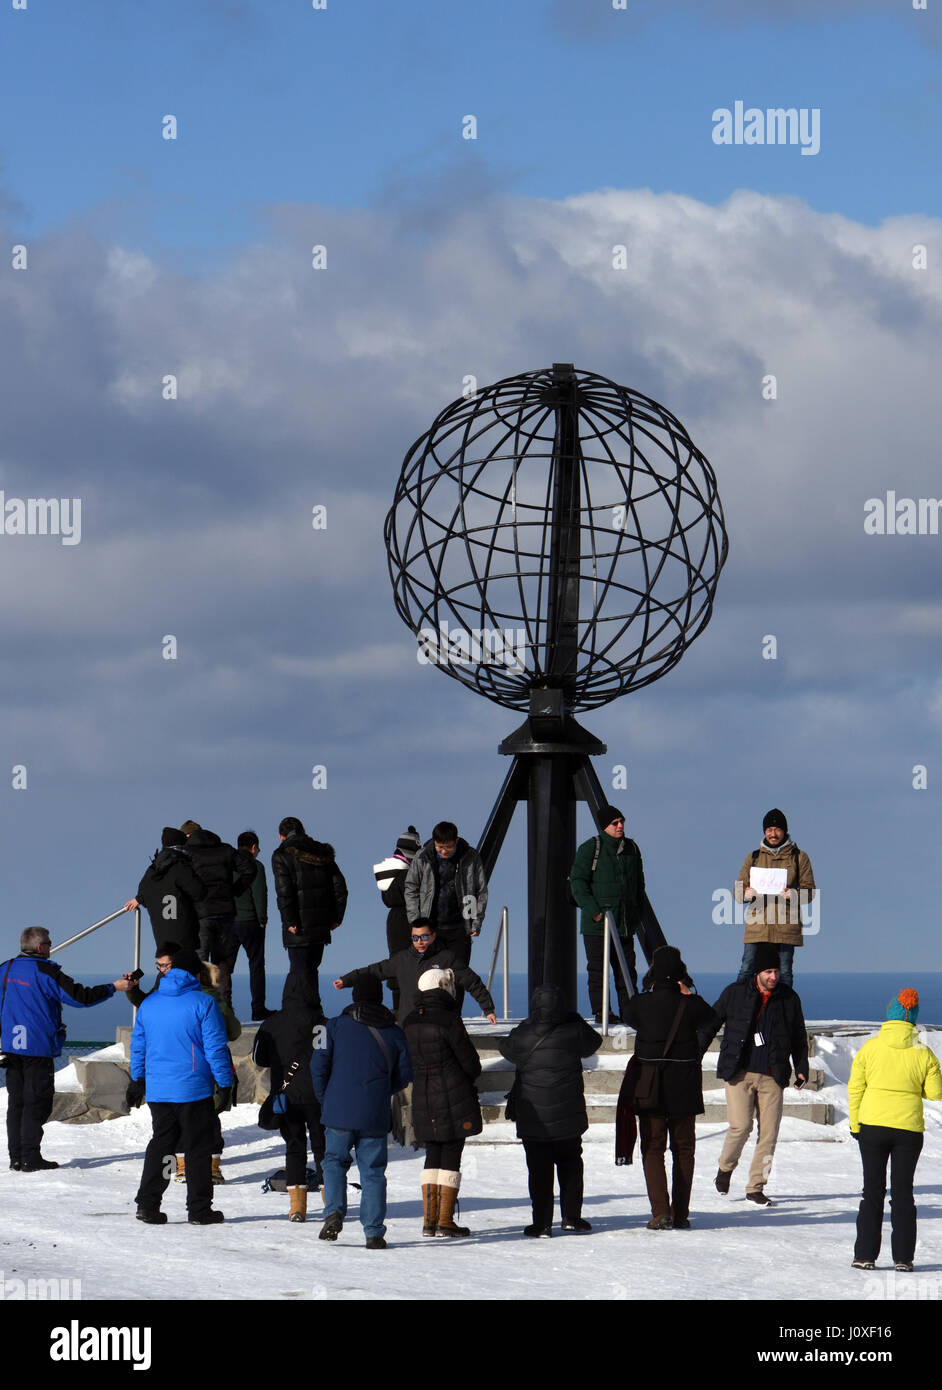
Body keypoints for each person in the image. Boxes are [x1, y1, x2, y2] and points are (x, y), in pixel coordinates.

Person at [1, 926, 131, 1171]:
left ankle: (16, 1157)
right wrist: (115, 986)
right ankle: (30, 1157)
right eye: (49, 943)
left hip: (11, 1048)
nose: (51, 947)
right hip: (37, 1049)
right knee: (36, 1103)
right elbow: (81, 997)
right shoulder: (46, 972)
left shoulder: (5, 969)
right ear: (41, 947)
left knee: (16, 1102)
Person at [128, 948, 232, 1225]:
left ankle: (148, 1204)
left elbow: (138, 1045)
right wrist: (225, 1082)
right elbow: (215, 1048)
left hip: (159, 1090)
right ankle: (199, 1210)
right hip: (193, 1089)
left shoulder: (149, 1004)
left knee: (162, 1145)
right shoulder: (203, 1003)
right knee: (197, 1148)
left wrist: (137, 1078)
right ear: (194, 973)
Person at [616, 946, 718, 1229]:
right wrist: (688, 994)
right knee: (684, 1149)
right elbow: (713, 1019)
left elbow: (628, 1015)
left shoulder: (640, 1003)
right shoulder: (692, 1004)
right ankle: (682, 1213)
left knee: (652, 1147)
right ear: (681, 974)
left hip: (649, 1084)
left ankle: (661, 1210)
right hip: (684, 1084)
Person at [699, 945, 808, 1206]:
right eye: (769, 971)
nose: (774, 976)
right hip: (739, 1073)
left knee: (769, 1134)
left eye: (777, 971)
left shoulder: (789, 998)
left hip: (773, 1075)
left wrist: (801, 1066)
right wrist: (694, 1056)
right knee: (741, 1127)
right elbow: (709, 1025)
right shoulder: (734, 993)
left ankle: (756, 1186)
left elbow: (798, 1037)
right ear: (758, 972)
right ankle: (725, 1168)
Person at [311, 976, 412, 1249]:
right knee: (373, 1173)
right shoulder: (395, 1032)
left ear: (354, 998)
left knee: (333, 1162)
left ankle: (333, 1211)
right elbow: (405, 1074)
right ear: (380, 998)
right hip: (374, 1113)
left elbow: (317, 1066)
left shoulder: (329, 1027)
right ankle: (374, 1232)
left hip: (338, 1110)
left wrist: (326, 1098)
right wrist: (381, 1092)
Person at [848, 988, 942, 1272]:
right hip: (908, 1130)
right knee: (903, 1193)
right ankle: (903, 1258)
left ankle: (865, 1255)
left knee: (872, 1192)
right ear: (913, 1019)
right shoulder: (924, 1052)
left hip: (872, 1126)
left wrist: (855, 1124)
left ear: (889, 1016)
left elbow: (856, 1088)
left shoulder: (870, 1047)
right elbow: (935, 1093)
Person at [499, 984, 602, 1237]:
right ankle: (571, 1217)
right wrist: (574, 1017)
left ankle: (542, 1223)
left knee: (539, 1170)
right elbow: (594, 1042)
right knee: (571, 1165)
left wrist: (529, 1023)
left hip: (533, 1116)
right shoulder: (573, 1029)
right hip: (568, 1113)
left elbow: (506, 1048)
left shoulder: (523, 1033)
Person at [402, 967, 483, 1237]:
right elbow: (471, 1064)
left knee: (432, 1154)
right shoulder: (449, 1019)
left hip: (423, 1096)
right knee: (450, 1154)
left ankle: (429, 1221)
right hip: (452, 1094)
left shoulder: (411, 1020)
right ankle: (445, 1220)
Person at [252, 974, 326, 1223]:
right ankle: (331, 1202)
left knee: (294, 1147)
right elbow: (331, 1056)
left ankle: (297, 1207)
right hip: (318, 1095)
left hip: (285, 1096)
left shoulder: (272, 1023)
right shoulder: (322, 1023)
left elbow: (258, 1059)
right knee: (322, 1148)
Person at [333, 919, 497, 1025]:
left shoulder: (446, 958)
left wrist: (488, 1009)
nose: (419, 942)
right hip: (409, 1024)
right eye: (415, 937)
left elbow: (472, 982)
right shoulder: (402, 959)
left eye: (424, 937)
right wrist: (347, 980)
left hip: (438, 1024)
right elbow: (375, 971)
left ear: (433, 936)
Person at [569, 804, 645, 1023]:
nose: (620, 826)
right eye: (615, 823)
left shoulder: (632, 849)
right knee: (598, 971)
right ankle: (602, 1012)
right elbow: (577, 882)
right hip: (597, 926)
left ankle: (630, 1013)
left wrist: (636, 914)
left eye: (622, 821)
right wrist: (594, 913)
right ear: (605, 826)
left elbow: (639, 884)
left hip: (624, 924)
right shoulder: (590, 848)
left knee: (627, 971)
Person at [403, 822, 488, 1008]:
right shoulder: (422, 856)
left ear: (456, 841)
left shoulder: (470, 857)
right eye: (439, 847)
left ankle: (453, 1019)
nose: (443, 851)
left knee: (457, 977)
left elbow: (480, 890)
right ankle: (428, 1016)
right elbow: (410, 887)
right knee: (427, 975)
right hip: (430, 928)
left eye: (448, 847)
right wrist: (415, 921)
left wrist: (475, 922)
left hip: (459, 928)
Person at [272, 816, 347, 1015]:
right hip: (321, 924)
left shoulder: (281, 855)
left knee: (298, 970)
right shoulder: (322, 852)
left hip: (298, 925)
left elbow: (284, 892)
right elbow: (340, 888)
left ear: (281, 836)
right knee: (310, 969)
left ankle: (297, 1012)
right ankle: (312, 1011)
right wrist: (336, 917)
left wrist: (289, 920)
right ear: (304, 829)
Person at [734, 808, 816, 989]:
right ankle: (738, 1011)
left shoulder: (799, 857)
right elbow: (738, 890)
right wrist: (745, 894)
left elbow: (810, 891)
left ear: (785, 831)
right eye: (769, 829)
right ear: (764, 831)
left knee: (784, 972)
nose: (773, 833)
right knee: (747, 969)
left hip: (787, 925)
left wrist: (793, 894)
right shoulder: (753, 857)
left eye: (777, 829)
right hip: (757, 926)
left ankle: (785, 1013)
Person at [180, 820, 256, 987]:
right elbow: (250, 869)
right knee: (222, 961)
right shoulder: (225, 850)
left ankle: (201, 1004)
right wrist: (235, 890)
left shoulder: (187, 853)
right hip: (226, 912)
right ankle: (224, 1005)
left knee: (199, 961)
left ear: (188, 836)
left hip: (201, 913)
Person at [123, 827, 206, 953]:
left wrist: (138, 899)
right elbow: (198, 892)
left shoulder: (153, 868)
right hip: (183, 928)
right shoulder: (180, 866)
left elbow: (144, 890)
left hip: (161, 931)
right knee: (184, 964)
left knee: (167, 962)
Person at [373, 825, 422, 1015]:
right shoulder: (408, 873)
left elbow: (388, 899)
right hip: (410, 921)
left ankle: (398, 1009)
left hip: (396, 921)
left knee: (398, 963)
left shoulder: (389, 874)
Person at [232, 829, 271, 1021]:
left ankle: (225, 1011)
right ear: (254, 847)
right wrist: (262, 919)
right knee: (256, 966)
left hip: (228, 922)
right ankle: (258, 1009)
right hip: (250, 922)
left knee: (225, 968)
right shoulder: (256, 866)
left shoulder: (227, 865)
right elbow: (259, 894)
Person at [125, 941, 181, 1007]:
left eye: (164, 965)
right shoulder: (162, 977)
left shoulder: (191, 982)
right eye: (159, 965)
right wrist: (132, 988)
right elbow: (147, 1003)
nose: (162, 970)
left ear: (178, 962)